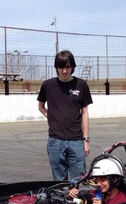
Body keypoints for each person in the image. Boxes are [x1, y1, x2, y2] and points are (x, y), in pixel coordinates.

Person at [38, 50, 93, 181]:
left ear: (72, 67)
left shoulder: (81, 85)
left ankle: (77, 202)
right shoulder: (48, 85)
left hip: (76, 141)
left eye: (67, 67)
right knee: (59, 182)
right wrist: (50, 116)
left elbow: (84, 113)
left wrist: (86, 140)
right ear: (56, 67)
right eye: (61, 67)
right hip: (55, 141)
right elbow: (41, 106)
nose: (64, 71)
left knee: (79, 181)